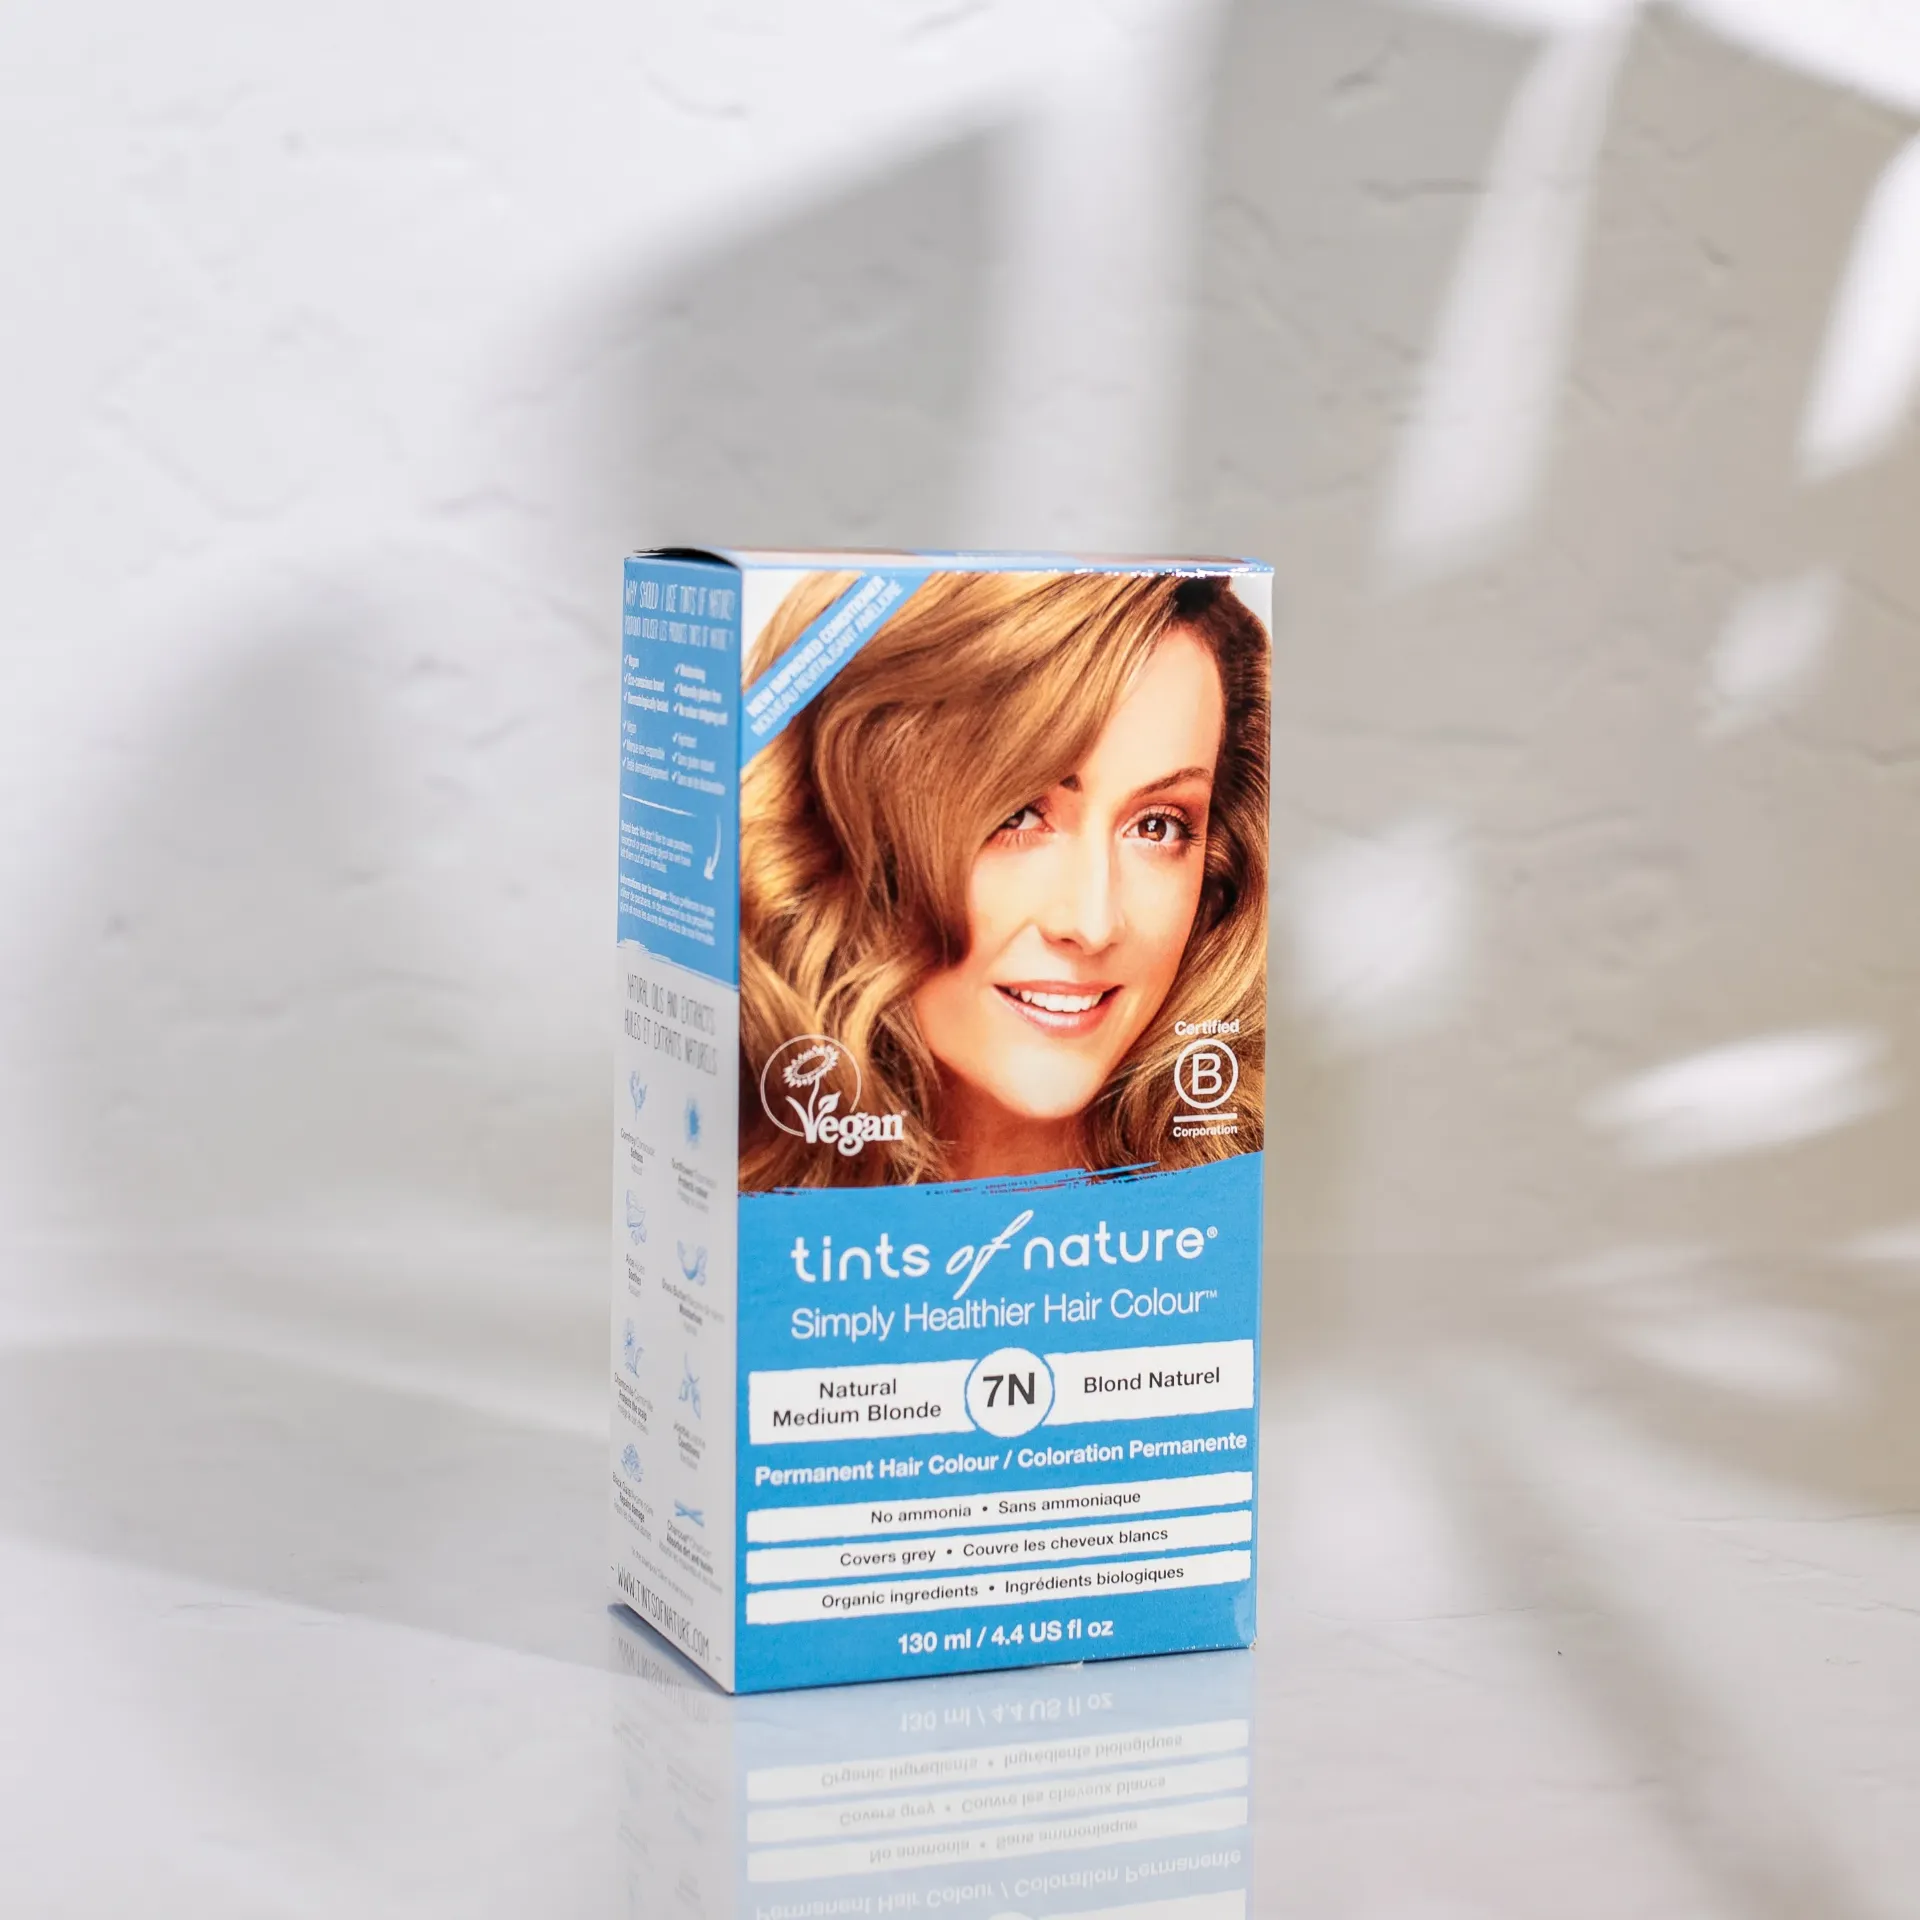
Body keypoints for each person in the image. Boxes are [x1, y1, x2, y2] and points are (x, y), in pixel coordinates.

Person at [739, 568, 1268, 1188]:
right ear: (842, 823)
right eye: (1018, 814)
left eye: (1157, 827)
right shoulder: (739, 1175)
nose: (1091, 923)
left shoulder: (1227, 1196)